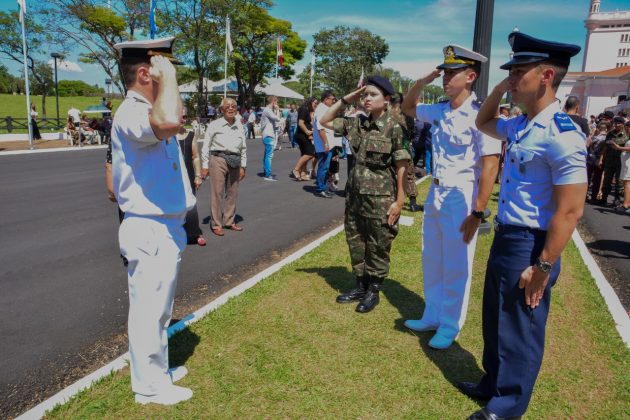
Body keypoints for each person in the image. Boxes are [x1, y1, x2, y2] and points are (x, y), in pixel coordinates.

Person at [466, 31, 586, 419]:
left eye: (519, 72)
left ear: (547, 75)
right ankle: (492, 383)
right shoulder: (521, 124)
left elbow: (570, 211)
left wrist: (544, 266)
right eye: (511, 73)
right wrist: (502, 86)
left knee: (521, 327)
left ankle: (507, 405)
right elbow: (483, 121)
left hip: (533, 244)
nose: (513, 79)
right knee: (495, 317)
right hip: (507, 236)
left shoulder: (563, 135)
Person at [111, 37, 196, 405]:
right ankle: (148, 387)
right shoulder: (131, 110)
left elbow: (173, 116)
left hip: (164, 226)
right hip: (148, 226)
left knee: (160, 308)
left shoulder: (148, 106)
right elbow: (168, 120)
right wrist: (168, 79)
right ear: (145, 73)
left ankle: (156, 371)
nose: (170, 76)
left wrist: (167, 82)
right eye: (164, 69)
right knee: (149, 310)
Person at [401, 45, 502, 350]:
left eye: (451, 73)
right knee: (431, 255)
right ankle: (432, 314)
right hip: (437, 190)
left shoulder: (481, 115)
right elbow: (407, 108)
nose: (445, 78)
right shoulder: (441, 109)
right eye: (443, 72)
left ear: (470, 76)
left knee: (457, 263)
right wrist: (422, 81)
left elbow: (490, 164)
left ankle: (450, 325)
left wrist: (478, 210)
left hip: (461, 195)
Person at [319, 76, 411, 313]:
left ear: (387, 99)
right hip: (355, 197)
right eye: (365, 94)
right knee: (356, 241)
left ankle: (373, 291)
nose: (367, 99)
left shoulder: (394, 127)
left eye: (373, 95)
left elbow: (402, 166)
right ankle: (360, 285)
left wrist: (399, 202)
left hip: (381, 200)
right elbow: (324, 120)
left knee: (378, 245)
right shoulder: (357, 123)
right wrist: (345, 99)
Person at [201, 97, 247, 236]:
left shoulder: (240, 125)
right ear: (222, 110)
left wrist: (243, 166)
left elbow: (243, 147)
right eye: (227, 106)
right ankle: (216, 224)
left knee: (232, 193)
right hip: (218, 159)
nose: (231, 108)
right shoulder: (214, 125)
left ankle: (229, 221)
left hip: (235, 160)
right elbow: (205, 146)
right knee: (217, 193)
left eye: (233, 106)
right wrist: (205, 165)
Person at [176, 116, 206, 246]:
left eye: (184, 117)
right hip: (172, 175)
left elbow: (195, 156)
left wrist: (198, 175)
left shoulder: (191, 135)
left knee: (191, 204)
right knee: (174, 204)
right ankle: (174, 233)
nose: (182, 119)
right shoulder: (165, 136)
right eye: (179, 116)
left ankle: (194, 233)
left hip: (188, 173)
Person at [313, 90, 339, 198]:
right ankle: (320, 189)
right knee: (323, 167)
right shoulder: (321, 110)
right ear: (326, 99)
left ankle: (323, 187)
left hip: (328, 144)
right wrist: (326, 144)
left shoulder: (325, 109)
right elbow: (321, 129)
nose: (334, 101)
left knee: (325, 167)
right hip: (324, 145)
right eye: (332, 99)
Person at [598, 116, 628, 206]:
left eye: (619, 123)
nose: (616, 125)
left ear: (622, 124)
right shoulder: (610, 134)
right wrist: (601, 159)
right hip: (609, 161)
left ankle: (617, 200)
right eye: (615, 123)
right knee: (607, 180)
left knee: (619, 182)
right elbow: (605, 147)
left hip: (620, 161)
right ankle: (603, 198)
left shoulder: (627, 135)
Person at [291, 97, 318, 180]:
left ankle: (303, 173)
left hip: (305, 135)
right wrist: (307, 131)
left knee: (304, 154)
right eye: (315, 103)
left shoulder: (308, 110)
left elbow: (307, 123)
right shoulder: (304, 109)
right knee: (310, 153)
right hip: (301, 135)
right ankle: (296, 169)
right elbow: (300, 123)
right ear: (310, 102)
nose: (316, 105)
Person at [610, 121, 630, 212]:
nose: (626, 130)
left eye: (627, 128)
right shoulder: (628, 137)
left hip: (629, 163)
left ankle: (625, 204)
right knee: (626, 182)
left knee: (627, 183)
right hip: (626, 162)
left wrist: (618, 148)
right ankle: (627, 203)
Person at [260, 95, 280, 181]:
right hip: (268, 135)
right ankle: (268, 175)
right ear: (273, 102)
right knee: (269, 156)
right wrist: (278, 110)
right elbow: (277, 118)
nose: (277, 104)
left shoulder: (267, 110)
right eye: (276, 102)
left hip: (267, 135)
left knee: (267, 155)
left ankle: (266, 172)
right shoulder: (268, 110)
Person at [587, 122, 608, 200]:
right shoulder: (606, 138)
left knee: (588, 178)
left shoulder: (593, 137)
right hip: (600, 160)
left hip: (590, 159)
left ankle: (585, 194)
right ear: (605, 129)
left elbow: (587, 145)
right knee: (597, 179)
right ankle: (594, 196)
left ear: (598, 129)